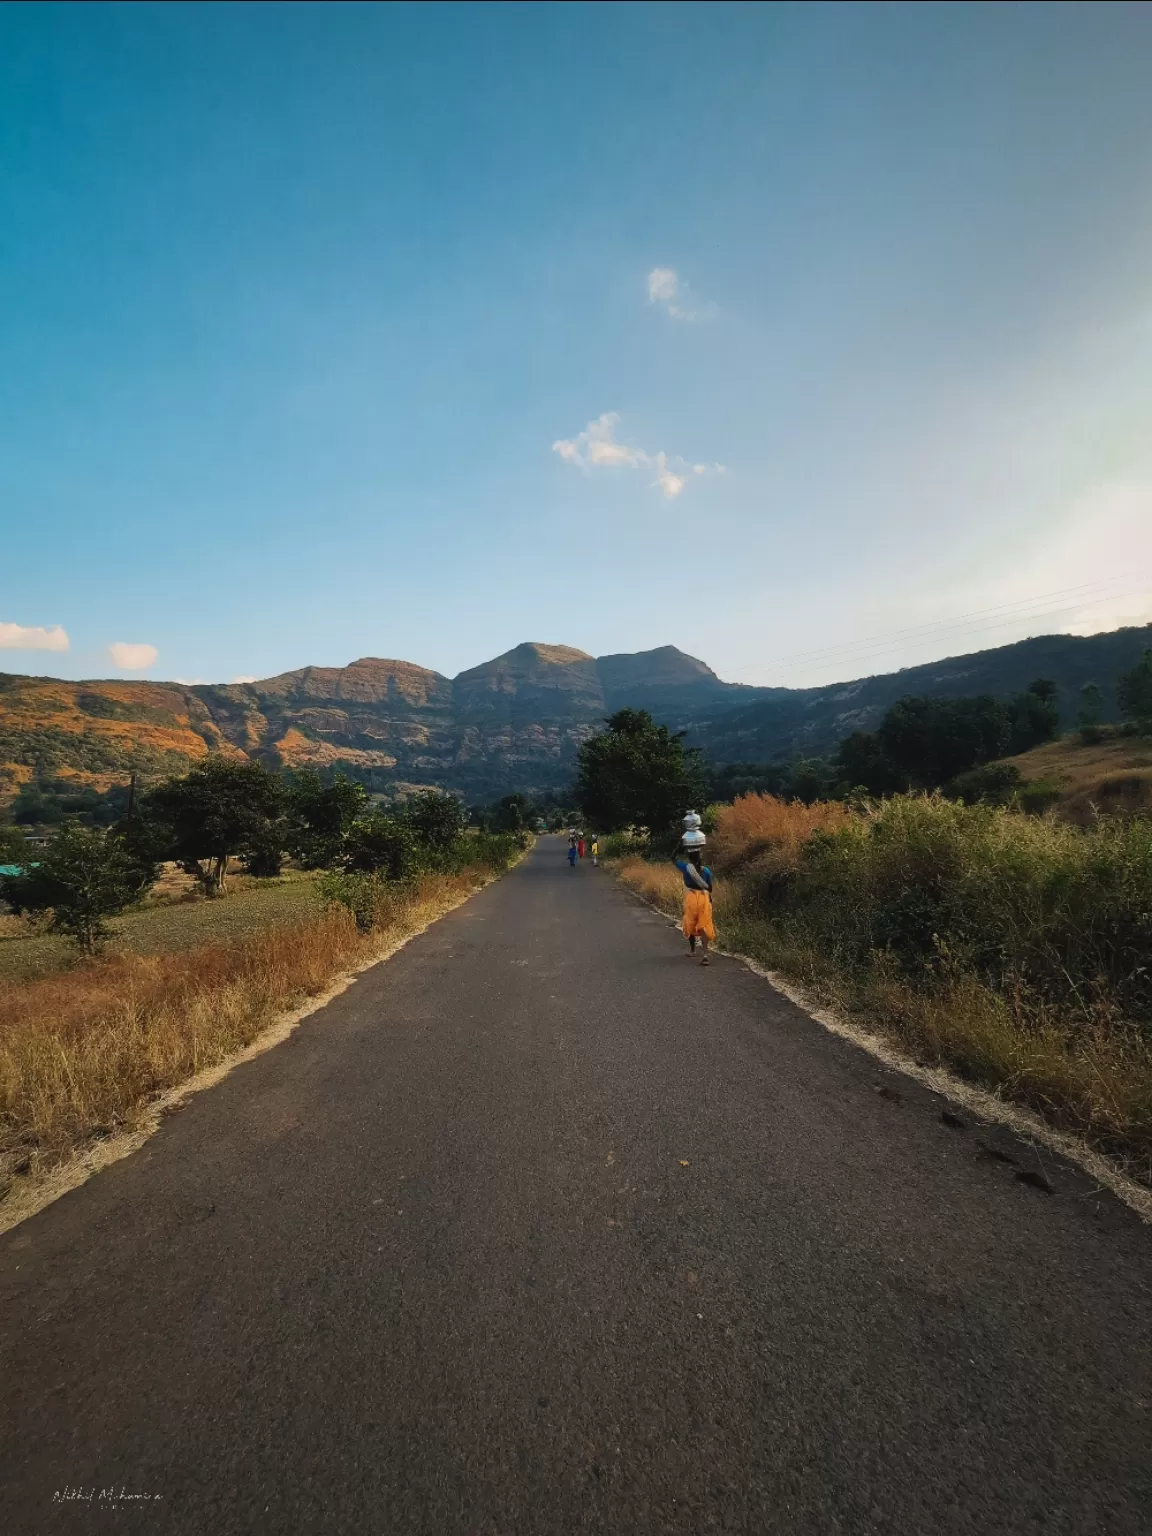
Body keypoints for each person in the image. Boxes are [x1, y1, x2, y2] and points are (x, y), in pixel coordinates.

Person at [673, 846, 715, 964]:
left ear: (690, 859)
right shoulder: (706, 870)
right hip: (704, 899)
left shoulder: (686, 868)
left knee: (690, 923)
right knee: (704, 924)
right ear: (699, 858)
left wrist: (679, 844)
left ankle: (692, 951)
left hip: (691, 899)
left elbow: (672, 858)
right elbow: (710, 888)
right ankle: (705, 955)